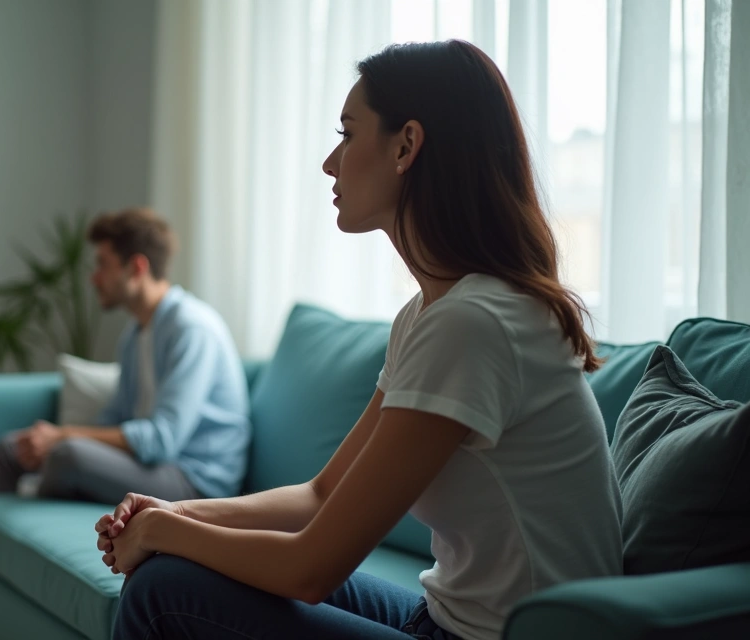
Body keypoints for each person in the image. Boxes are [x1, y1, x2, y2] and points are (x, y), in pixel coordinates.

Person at [96, 40, 623, 640]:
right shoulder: (429, 314)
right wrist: (175, 512)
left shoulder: (474, 323)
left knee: (163, 589)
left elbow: (310, 570)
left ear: (406, 146)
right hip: (444, 618)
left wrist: (163, 533)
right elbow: (321, 495)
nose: (330, 162)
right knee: (179, 559)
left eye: (347, 133)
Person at [0, 208, 252, 598]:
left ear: (136, 267)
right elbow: (117, 416)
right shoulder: (137, 333)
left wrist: (63, 437)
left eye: (103, 265)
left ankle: (31, 492)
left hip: (194, 480)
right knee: (11, 449)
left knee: (68, 453)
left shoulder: (191, 329)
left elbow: (163, 439)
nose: (94, 277)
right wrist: (51, 439)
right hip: (154, 465)